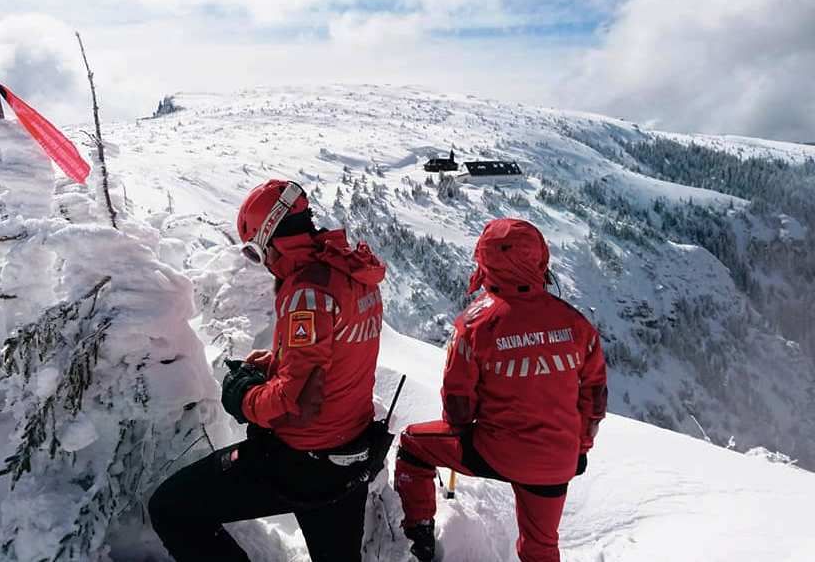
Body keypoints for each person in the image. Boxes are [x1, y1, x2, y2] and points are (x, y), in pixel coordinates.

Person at [148, 179, 386, 562]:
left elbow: (294, 402)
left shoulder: (307, 292)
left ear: (272, 241)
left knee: (170, 509)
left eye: (256, 254)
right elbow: (335, 357)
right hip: (352, 455)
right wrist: (278, 363)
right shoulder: (354, 275)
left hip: (301, 461)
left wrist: (242, 397)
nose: (265, 266)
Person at [394, 218, 608, 562]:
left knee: (413, 446)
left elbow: (457, 403)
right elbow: (594, 397)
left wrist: (463, 433)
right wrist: (579, 447)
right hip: (557, 459)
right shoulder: (577, 324)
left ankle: (416, 540)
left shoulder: (475, 324)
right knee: (541, 547)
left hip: (495, 451)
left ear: (486, 259)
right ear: (540, 257)